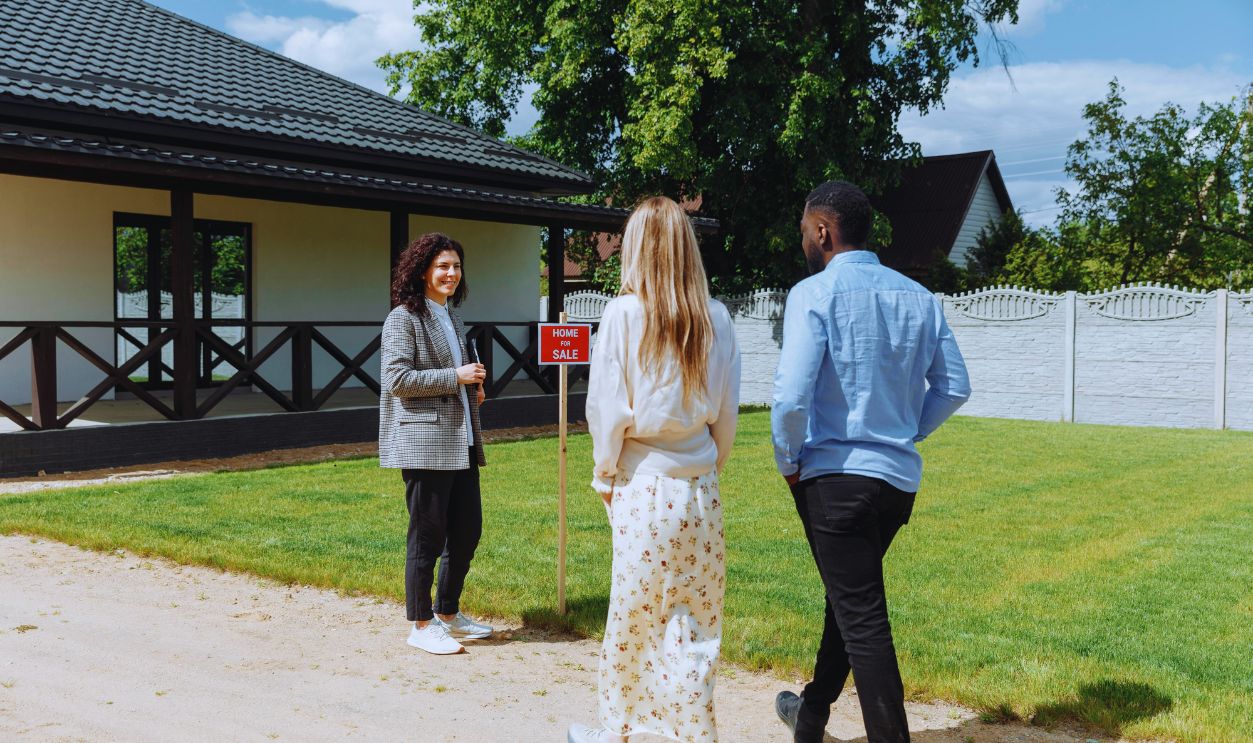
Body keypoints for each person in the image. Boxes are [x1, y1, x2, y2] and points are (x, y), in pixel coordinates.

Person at [771, 181, 971, 742]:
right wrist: (908, 431)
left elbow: (790, 396)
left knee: (862, 617)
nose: (804, 242)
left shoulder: (813, 294)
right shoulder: (919, 296)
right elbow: (954, 386)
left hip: (833, 480)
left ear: (823, 231)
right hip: (896, 484)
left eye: (804, 232)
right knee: (851, 599)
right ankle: (809, 715)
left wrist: (789, 459)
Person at [568, 197, 741, 743]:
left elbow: (607, 408)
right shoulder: (716, 316)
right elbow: (728, 414)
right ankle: (690, 731)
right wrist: (707, 465)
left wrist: (604, 475)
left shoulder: (623, 314)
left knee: (634, 621)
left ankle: (624, 731)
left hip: (643, 484)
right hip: (700, 487)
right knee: (695, 621)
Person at [379, 232, 494, 656]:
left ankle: (447, 613)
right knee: (427, 537)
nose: (450, 273)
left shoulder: (453, 317)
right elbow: (397, 380)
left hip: (459, 441)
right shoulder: (403, 318)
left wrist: (473, 390)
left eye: (456, 266)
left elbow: (456, 376)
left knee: (466, 531)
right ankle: (421, 622)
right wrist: (456, 378)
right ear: (422, 270)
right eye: (442, 266)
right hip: (424, 444)